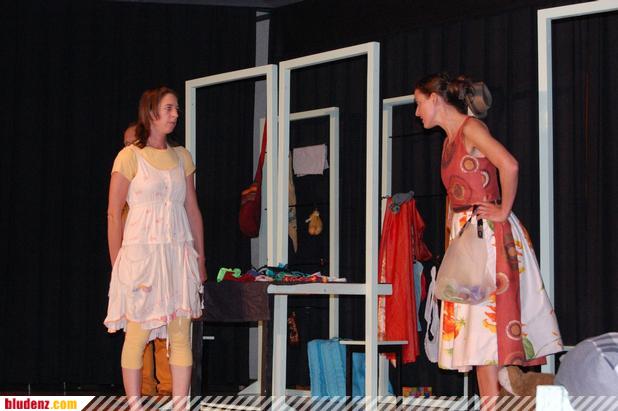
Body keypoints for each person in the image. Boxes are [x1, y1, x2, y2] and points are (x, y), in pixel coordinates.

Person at [413, 73, 563, 403]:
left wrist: (502, 209)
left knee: (486, 332)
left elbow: (509, 165)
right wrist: (453, 245)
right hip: (468, 238)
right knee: (478, 339)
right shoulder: (449, 140)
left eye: (419, 103)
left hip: (488, 238)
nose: (417, 111)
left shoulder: (471, 129)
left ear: (435, 99)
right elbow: (454, 197)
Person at [104, 87, 206, 409]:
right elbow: (113, 213)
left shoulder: (182, 156)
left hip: (177, 256)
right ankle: (135, 405)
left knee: (180, 335)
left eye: (176, 108)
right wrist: (117, 264)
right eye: (169, 108)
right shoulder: (129, 157)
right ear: (151, 113)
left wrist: (200, 258)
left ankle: (180, 405)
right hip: (142, 257)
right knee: (136, 335)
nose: (176, 114)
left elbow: (192, 209)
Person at [122, 124, 173, 397]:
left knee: (164, 326)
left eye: (134, 142)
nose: (129, 148)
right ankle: (143, 392)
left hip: (162, 265)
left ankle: (168, 391)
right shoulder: (123, 183)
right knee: (137, 330)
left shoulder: (161, 179)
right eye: (125, 144)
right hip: (135, 268)